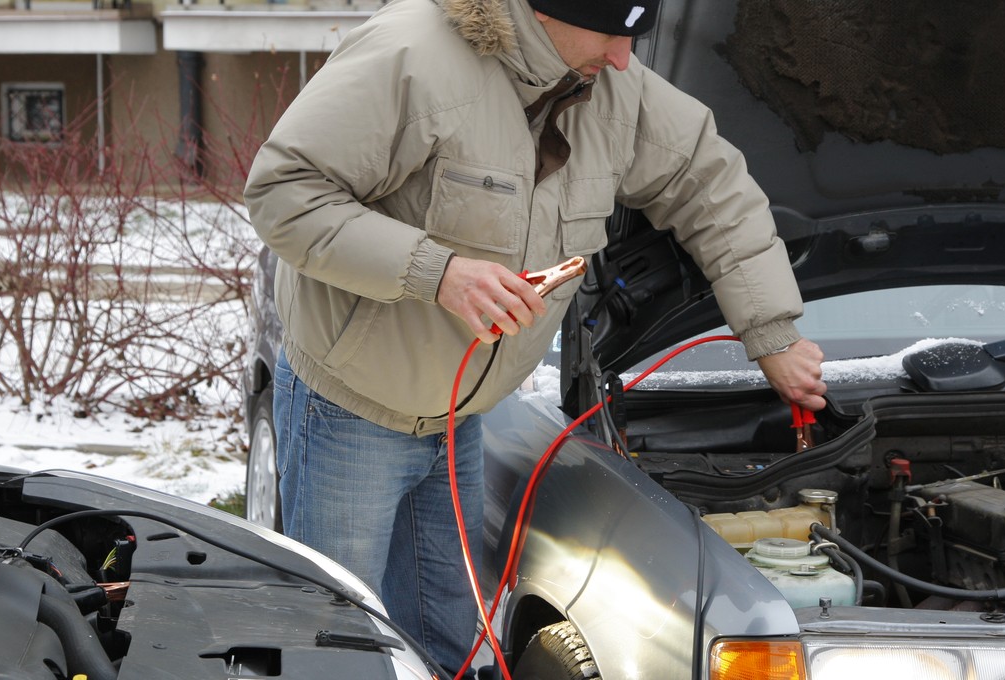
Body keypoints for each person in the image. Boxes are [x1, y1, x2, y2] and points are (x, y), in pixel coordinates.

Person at [244, 0, 827, 674]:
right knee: (337, 646)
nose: (623, 58)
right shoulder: (410, 57)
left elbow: (711, 184)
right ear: (549, 10)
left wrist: (773, 335)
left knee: (442, 647)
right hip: (349, 413)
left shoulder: (611, 89)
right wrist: (438, 273)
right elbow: (283, 193)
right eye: (613, 33)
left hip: (460, 417)